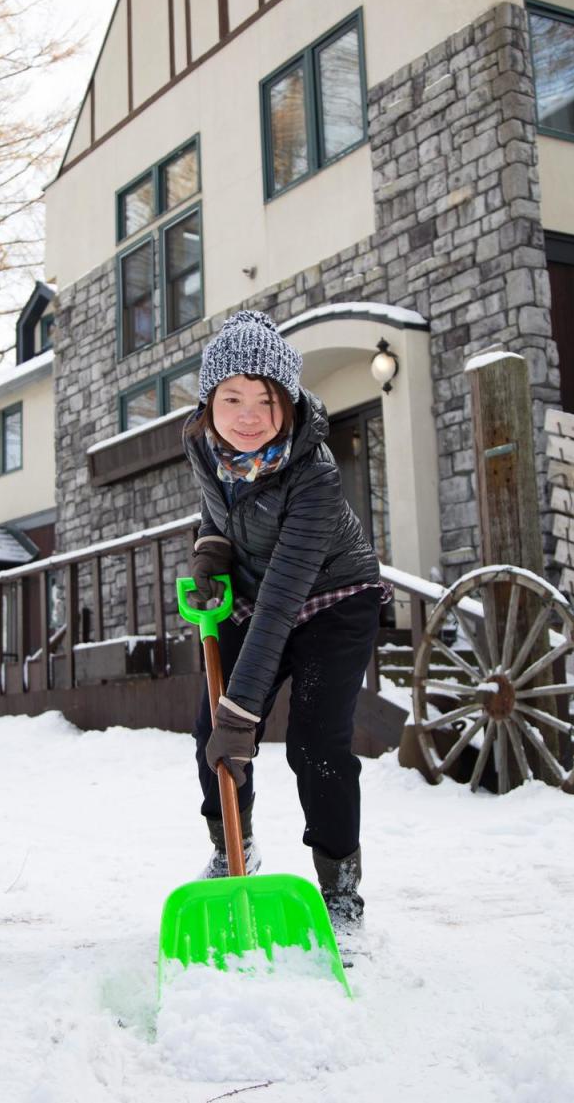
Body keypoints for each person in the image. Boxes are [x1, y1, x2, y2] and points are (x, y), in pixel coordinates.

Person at [183, 309, 390, 930]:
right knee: (208, 731)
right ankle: (233, 850)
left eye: (266, 400)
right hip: (256, 590)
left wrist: (243, 715)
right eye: (233, 397)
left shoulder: (316, 474)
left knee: (315, 742)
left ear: (289, 406)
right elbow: (218, 516)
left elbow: (283, 599)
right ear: (210, 403)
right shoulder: (204, 448)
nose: (248, 414)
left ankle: (340, 885)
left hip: (333, 597)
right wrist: (210, 553)